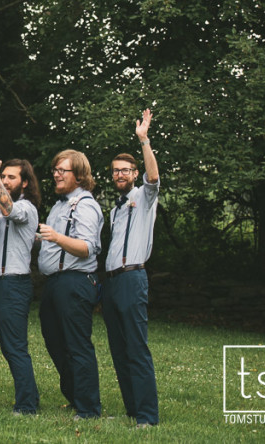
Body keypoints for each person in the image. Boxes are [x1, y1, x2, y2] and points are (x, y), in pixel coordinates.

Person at [103, 109, 160, 428]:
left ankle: (148, 416)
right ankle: (132, 410)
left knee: (136, 348)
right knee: (119, 348)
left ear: (134, 174)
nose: (120, 175)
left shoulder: (145, 197)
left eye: (125, 170)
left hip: (133, 278)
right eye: (115, 171)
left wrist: (144, 140)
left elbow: (154, 176)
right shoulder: (116, 209)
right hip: (111, 283)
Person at [37, 149, 104, 420]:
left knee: (77, 345)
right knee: (55, 342)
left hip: (75, 283)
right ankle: (77, 397)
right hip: (54, 284)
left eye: (62, 170)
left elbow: (87, 247)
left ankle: (88, 409)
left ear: (79, 175)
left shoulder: (85, 205)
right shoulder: (61, 205)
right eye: (55, 169)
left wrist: (55, 237)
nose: (56, 174)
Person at [0, 157, 41, 414]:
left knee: (16, 346)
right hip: (0, 283)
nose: (6, 181)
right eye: (3, 177)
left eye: (12, 178)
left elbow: (8, 208)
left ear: (25, 183)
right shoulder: (0, 209)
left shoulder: (27, 207)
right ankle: (26, 399)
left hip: (15, 282)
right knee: (9, 346)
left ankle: (28, 404)